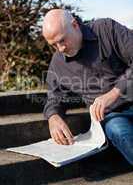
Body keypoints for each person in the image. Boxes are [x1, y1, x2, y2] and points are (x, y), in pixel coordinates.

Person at [42, 9, 133, 165]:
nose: (60, 48)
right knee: (119, 131)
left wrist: (116, 91)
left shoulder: (106, 29)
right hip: (112, 117)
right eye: (54, 45)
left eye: (62, 40)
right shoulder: (58, 63)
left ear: (75, 25)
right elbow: (53, 98)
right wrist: (53, 117)